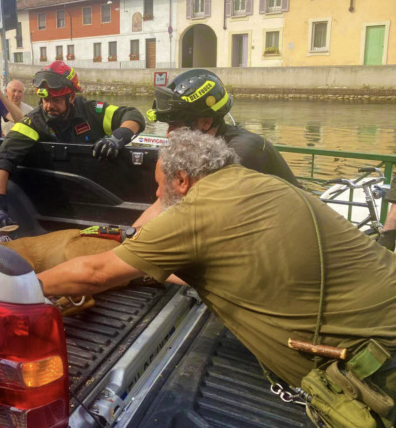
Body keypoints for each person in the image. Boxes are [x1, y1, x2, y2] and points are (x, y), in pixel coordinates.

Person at [38, 129, 396, 424]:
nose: (157, 194)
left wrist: (21, 285)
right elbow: (227, 266)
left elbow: (95, 273)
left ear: (181, 179)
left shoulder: (198, 211)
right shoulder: (263, 184)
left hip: (381, 367)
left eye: (160, 185)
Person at [0, 60, 146, 229]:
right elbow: (4, 160)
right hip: (58, 200)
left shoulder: (91, 111)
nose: (49, 106)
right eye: (45, 99)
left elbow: (133, 115)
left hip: (102, 194)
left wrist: (116, 138)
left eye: (55, 100)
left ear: (71, 97)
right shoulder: (34, 122)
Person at [135, 68, 298, 226]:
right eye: (168, 126)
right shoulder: (195, 151)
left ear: (206, 122)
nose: (169, 134)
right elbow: (164, 201)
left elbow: (204, 217)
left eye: (177, 126)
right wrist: (128, 239)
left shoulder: (242, 152)